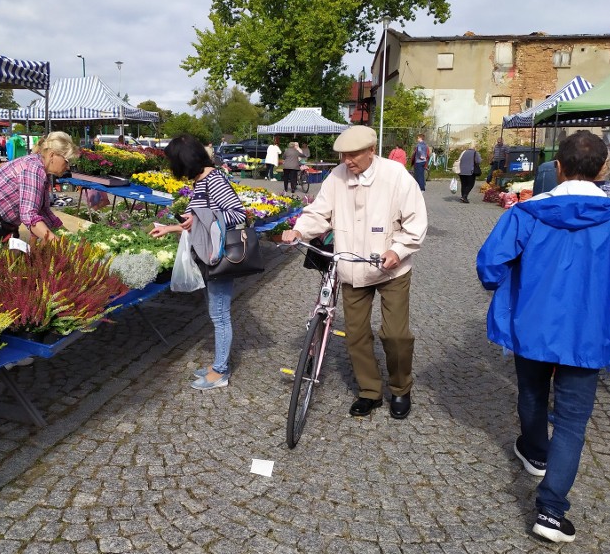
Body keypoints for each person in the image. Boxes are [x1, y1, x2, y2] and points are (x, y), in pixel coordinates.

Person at [477, 130, 610, 543]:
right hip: (586, 330)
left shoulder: (525, 213)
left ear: (558, 166)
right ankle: (550, 511)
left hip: (532, 323)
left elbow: (489, 267)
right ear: (604, 168)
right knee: (572, 421)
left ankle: (534, 450)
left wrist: (508, 280)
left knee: (532, 393)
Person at [282, 125, 427, 419]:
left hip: (391, 269)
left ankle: (400, 388)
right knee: (356, 335)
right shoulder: (337, 177)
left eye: (353, 155)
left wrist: (396, 250)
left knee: (395, 335)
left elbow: (416, 221)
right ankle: (370, 392)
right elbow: (319, 212)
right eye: (344, 155)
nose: (347, 161)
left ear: (371, 150)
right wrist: (298, 231)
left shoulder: (396, 175)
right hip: (352, 268)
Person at [150, 134, 246, 391]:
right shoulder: (201, 181)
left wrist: (202, 216)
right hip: (208, 254)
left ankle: (221, 371)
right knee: (216, 313)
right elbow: (200, 226)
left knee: (220, 315)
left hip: (221, 256)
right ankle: (218, 365)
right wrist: (170, 228)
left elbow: (238, 214)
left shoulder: (213, 180)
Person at [0, 131, 77, 247]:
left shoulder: (41, 171)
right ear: (52, 155)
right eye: (67, 161)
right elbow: (29, 215)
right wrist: (56, 242)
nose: (68, 167)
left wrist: (68, 236)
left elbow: (44, 212)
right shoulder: (33, 169)